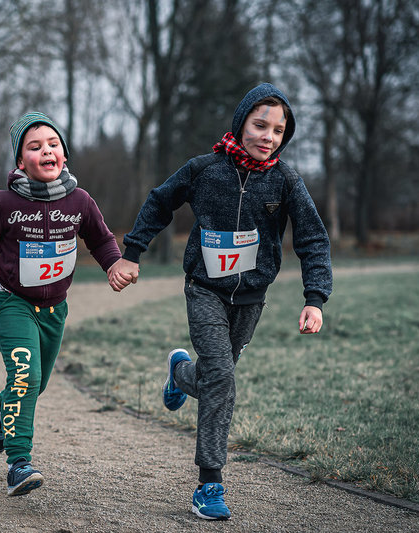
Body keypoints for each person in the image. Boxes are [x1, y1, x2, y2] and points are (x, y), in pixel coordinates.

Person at [108, 83, 333, 520]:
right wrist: (132, 251)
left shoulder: (286, 181)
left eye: (278, 130)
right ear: (241, 122)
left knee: (213, 377)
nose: (267, 136)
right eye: (259, 125)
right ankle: (209, 484)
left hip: (251, 299)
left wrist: (315, 298)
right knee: (224, 379)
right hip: (204, 290)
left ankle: (179, 374)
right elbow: (160, 202)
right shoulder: (204, 169)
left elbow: (312, 239)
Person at [0, 111, 123, 496]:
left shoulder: (80, 200)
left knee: (36, 383)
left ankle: (1, 408)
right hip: (11, 302)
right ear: (20, 162)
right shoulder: (5, 203)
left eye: (53, 144)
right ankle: (19, 463)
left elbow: (100, 239)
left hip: (54, 310)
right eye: (34, 147)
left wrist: (113, 264)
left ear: (64, 155)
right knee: (26, 376)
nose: (46, 150)